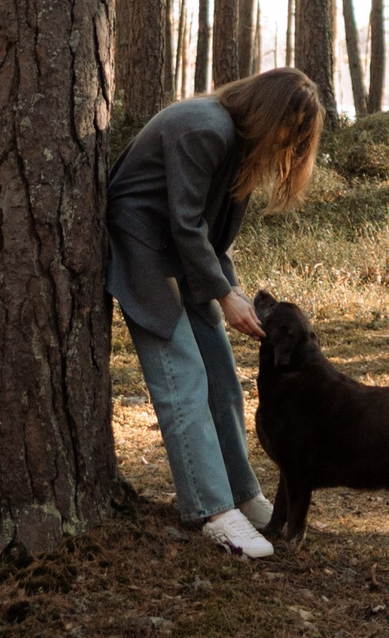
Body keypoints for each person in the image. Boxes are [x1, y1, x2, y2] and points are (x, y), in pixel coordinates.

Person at [107, 68, 323, 558]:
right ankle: (212, 510)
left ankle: (241, 495)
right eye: (290, 131)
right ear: (270, 114)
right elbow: (185, 224)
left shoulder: (241, 150)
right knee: (181, 372)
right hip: (142, 245)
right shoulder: (206, 128)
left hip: (181, 253)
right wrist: (223, 296)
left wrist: (235, 290)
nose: (289, 146)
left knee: (221, 373)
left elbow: (211, 236)